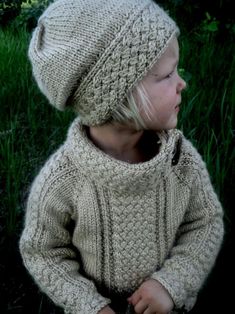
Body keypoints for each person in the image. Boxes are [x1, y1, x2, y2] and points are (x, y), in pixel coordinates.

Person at [19, 0, 224, 313]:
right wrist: (89, 306)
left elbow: (206, 222)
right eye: (168, 75)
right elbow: (43, 253)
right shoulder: (63, 180)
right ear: (117, 95)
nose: (182, 82)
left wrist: (172, 282)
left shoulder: (179, 160)